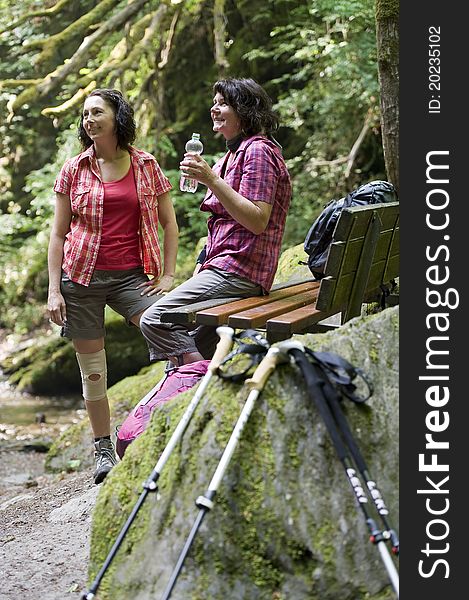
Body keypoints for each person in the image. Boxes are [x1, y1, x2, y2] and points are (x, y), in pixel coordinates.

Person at [47, 89, 178, 484]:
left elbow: (169, 224)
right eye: (85, 114)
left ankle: (168, 419)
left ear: (117, 116)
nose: (89, 119)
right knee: (93, 372)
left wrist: (168, 277)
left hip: (132, 278)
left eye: (97, 112)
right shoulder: (73, 169)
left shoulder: (146, 165)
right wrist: (54, 290)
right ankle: (104, 449)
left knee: (171, 333)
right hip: (80, 279)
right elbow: (57, 235)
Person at [140, 77, 291, 365]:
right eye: (214, 103)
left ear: (246, 111)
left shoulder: (258, 152)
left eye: (223, 104)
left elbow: (258, 220)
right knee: (187, 345)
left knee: (155, 320)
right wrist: (199, 265)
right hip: (222, 267)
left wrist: (211, 179)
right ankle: (196, 386)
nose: (214, 109)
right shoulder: (232, 154)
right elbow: (218, 225)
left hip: (240, 269)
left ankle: (198, 380)